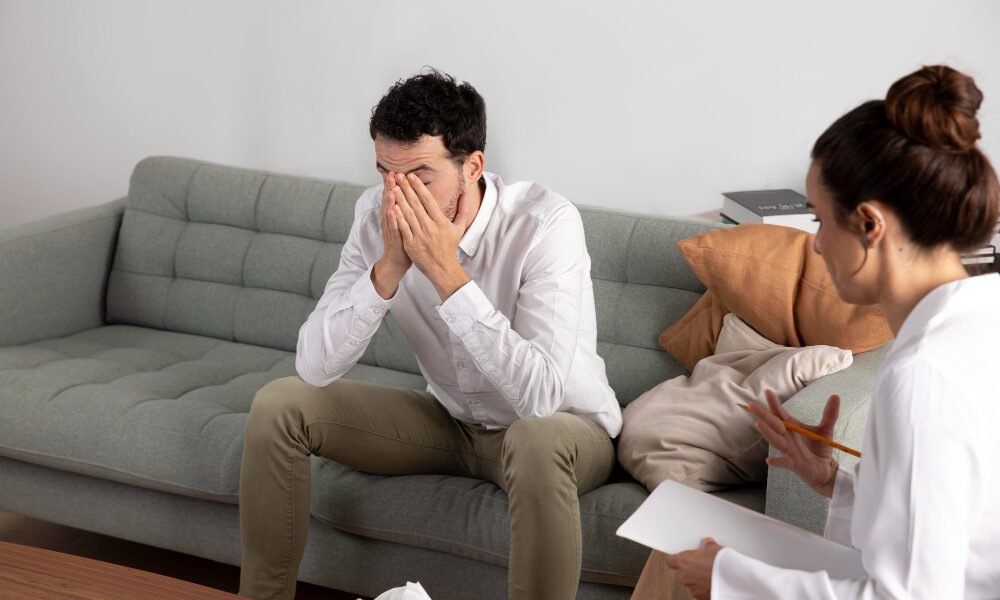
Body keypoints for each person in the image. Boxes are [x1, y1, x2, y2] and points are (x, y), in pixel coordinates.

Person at [238, 69, 622, 600]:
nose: (399, 196)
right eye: (386, 174)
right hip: (451, 423)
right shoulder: (374, 217)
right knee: (281, 403)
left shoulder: (545, 223)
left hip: (564, 432)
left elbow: (540, 398)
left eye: (420, 175)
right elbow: (315, 366)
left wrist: (445, 272)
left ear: (472, 167)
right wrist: (389, 268)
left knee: (534, 437)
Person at [665, 64, 1000, 599]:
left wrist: (729, 580)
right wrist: (836, 485)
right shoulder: (981, 322)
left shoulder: (924, 373)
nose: (817, 245)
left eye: (819, 220)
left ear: (869, 224)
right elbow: (954, 527)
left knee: (680, 565)